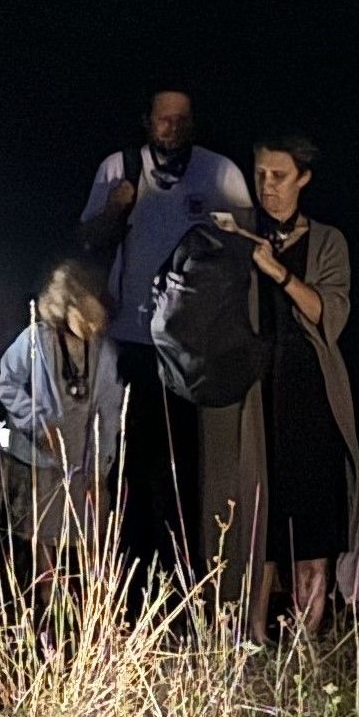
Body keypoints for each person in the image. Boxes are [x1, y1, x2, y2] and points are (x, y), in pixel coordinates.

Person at [213, 136, 359, 641]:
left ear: (302, 178)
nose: (267, 186)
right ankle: (253, 640)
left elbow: (329, 313)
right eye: (260, 175)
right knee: (260, 524)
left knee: (313, 532)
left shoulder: (328, 241)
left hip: (312, 401)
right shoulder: (241, 234)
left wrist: (278, 271)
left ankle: (306, 648)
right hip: (257, 400)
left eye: (278, 176)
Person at [77, 90, 249, 558]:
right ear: (147, 121)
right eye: (163, 120)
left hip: (195, 348)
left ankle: (184, 576)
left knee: (186, 470)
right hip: (130, 340)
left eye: (181, 120)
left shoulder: (220, 172)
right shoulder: (120, 166)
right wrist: (117, 206)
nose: (171, 129)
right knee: (129, 463)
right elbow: (87, 238)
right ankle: (130, 578)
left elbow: (244, 252)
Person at [0, 258, 126, 566]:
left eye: (98, 321)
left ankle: (91, 598)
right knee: (43, 532)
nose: (92, 327)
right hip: (44, 460)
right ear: (65, 306)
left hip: (85, 461)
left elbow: (110, 409)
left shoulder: (103, 351)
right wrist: (38, 423)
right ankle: (46, 594)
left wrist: (101, 466)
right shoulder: (36, 341)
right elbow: (6, 384)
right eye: (86, 317)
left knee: (90, 532)